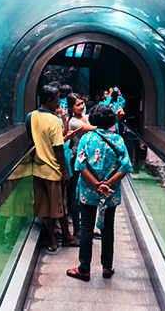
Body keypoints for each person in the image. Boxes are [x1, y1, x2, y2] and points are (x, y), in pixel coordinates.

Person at [67, 105, 133, 281]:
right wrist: (108, 183)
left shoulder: (87, 139)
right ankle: (107, 267)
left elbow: (79, 166)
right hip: (110, 193)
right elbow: (126, 166)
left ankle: (84, 269)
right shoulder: (118, 140)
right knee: (108, 228)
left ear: (93, 120)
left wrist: (96, 184)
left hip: (89, 190)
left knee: (86, 227)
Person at [26, 85, 78, 251]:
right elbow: (58, 148)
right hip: (53, 170)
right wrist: (64, 172)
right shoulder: (54, 121)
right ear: (48, 101)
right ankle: (67, 237)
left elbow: (31, 137)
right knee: (59, 207)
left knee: (44, 208)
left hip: (38, 168)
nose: (58, 104)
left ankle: (52, 240)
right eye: (56, 101)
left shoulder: (31, 116)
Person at [67, 93, 97, 237]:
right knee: (75, 194)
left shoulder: (84, 116)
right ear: (71, 107)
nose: (81, 106)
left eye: (82, 103)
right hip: (78, 159)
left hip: (88, 159)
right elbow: (94, 129)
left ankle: (88, 227)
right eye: (78, 105)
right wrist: (111, 120)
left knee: (87, 192)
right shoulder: (73, 122)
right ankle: (78, 229)